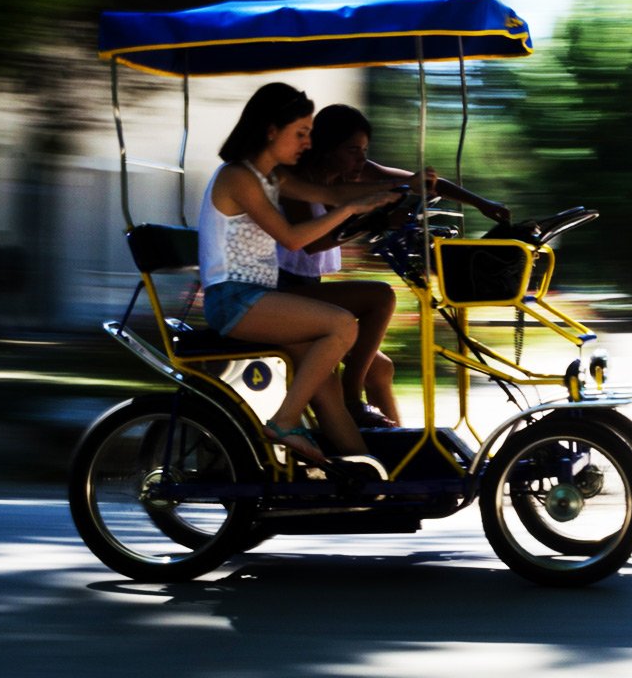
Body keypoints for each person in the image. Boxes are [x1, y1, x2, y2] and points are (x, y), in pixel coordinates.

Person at [199, 82, 429, 466]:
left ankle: (371, 482)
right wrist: (353, 209)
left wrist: (399, 188)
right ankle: (285, 421)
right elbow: (292, 239)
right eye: (301, 133)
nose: (308, 143)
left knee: (328, 389)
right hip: (234, 300)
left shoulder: (273, 177)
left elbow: (336, 196)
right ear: (271, 130)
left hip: (263, 299)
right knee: (342, 326)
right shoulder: (238, 177)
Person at [278, 104, 509, 427]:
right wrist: (371, 217)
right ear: (327, 149)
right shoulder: (300, 183)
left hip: (309, 288)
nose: (360, 160)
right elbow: (313, 242)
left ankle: (398, 449)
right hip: (284, 291)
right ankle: (350, 396)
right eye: (352, 151)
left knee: (381, 367)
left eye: (364, 151)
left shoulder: (354, 172)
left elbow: (425, 184)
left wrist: (482, 203)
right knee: (381, 297)